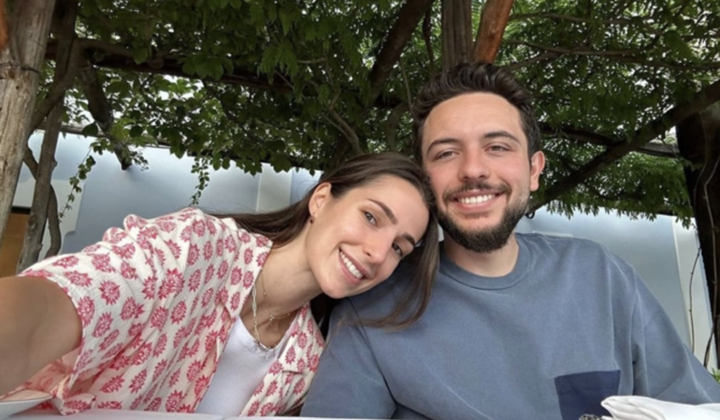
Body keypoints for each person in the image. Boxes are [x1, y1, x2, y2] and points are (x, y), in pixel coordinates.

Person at [301, 63, 720, 420]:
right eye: (446, 153)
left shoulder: (601, 275)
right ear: (424, 179)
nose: (473, 169)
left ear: (534, 169)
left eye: (498, 147)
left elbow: (696, 407)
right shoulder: (372, 310)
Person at [0, 152, 439, 417]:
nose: (378, 253)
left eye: (399, 248)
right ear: (321, 200)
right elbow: (54, 307)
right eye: (371, 217)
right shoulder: (192, 248)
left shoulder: (307, 363)